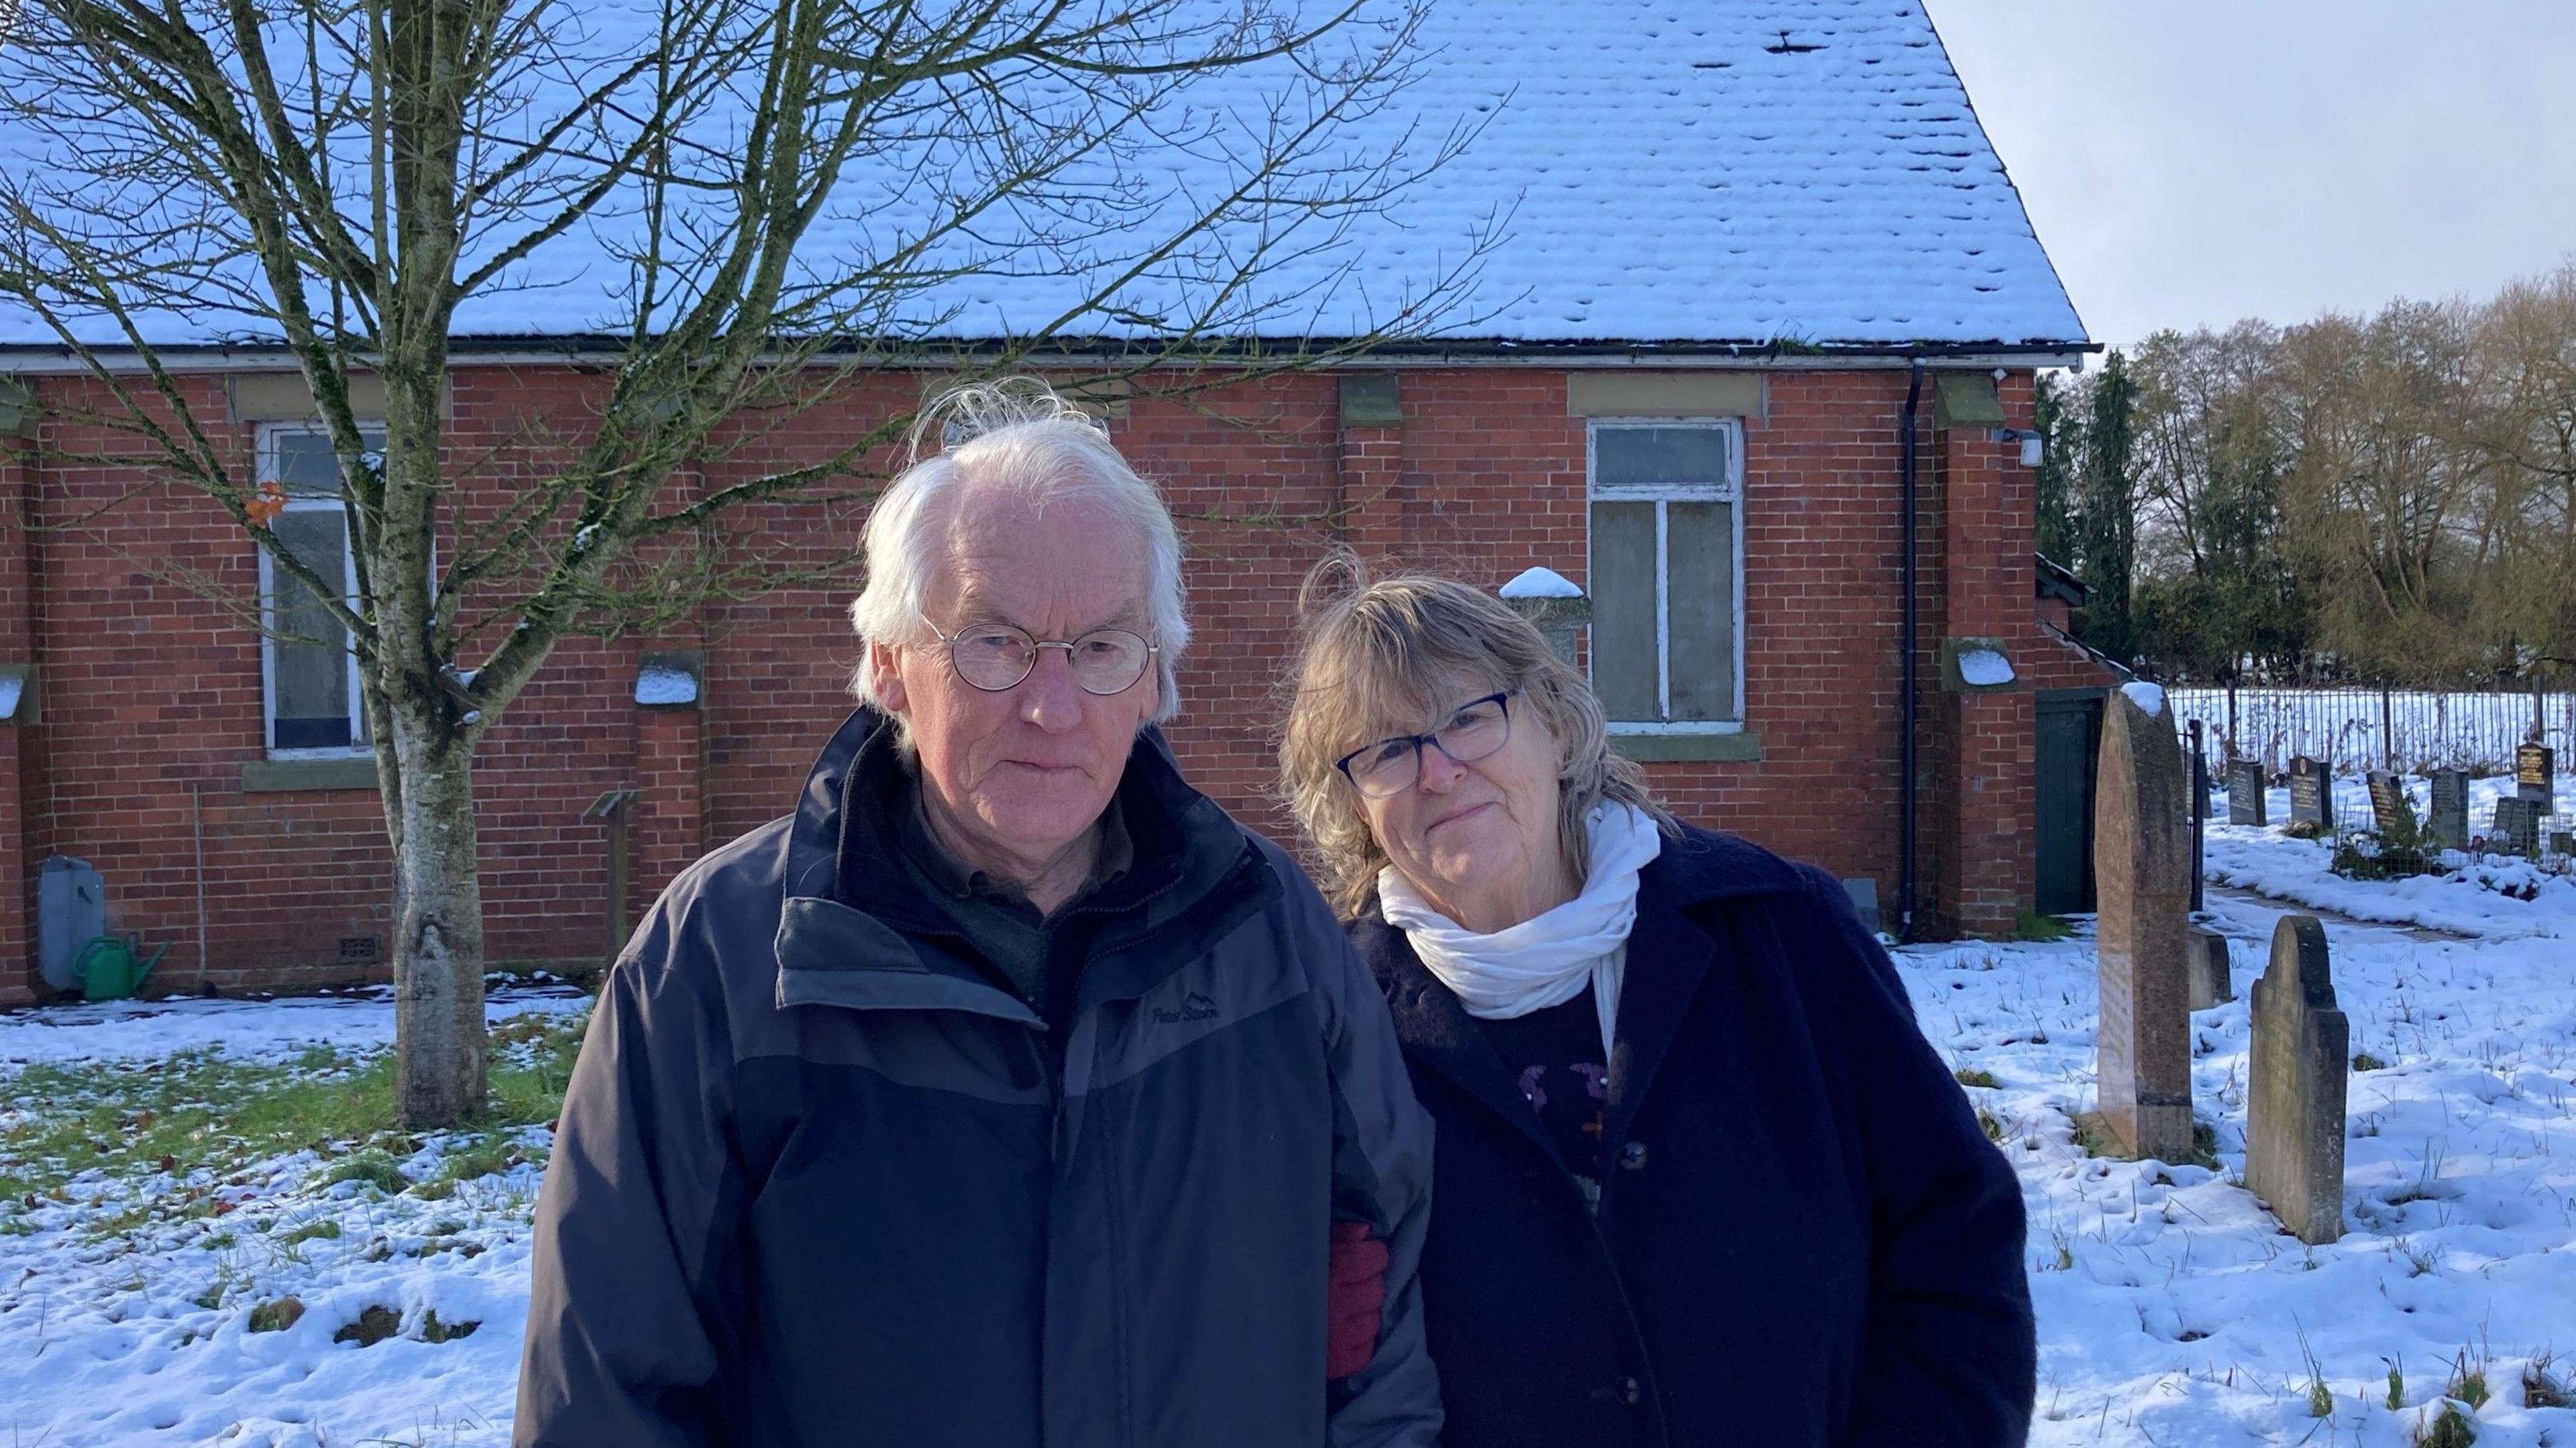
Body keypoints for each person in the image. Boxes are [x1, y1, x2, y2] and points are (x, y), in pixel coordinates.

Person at [516, 384, 1441, 1447]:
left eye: (1102, 648)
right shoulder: (719, 964)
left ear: (1155, 679)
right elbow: (611, 1394)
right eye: (996, 643)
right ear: (888, 664)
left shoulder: (1270, 938)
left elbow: (1378, 1328)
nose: (1054, 708)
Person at [1279, 562, 2035, 1448]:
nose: (1438, 771)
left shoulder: (1784, 938)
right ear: (1356, 806)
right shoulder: (1327, 1038)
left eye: (1469, 716)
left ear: (1556, 729)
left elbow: (1953, 1243)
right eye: (1385, 749)